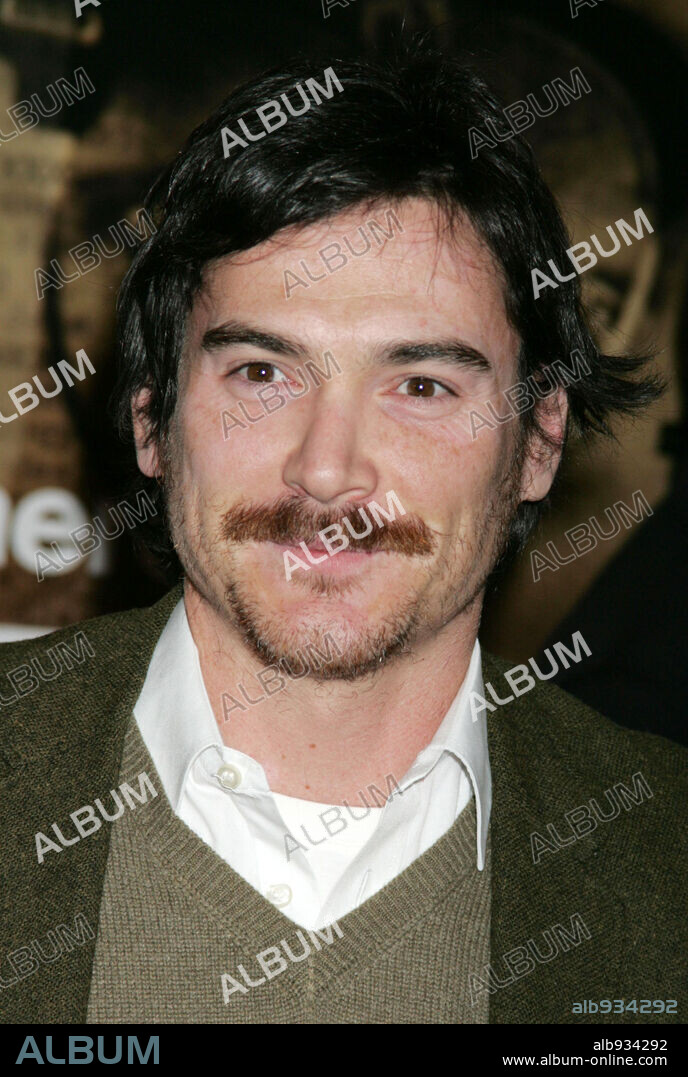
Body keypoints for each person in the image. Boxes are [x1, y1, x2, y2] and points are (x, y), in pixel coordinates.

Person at [1, 45, 684, 1025]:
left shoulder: (660, 855)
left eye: (421, 386)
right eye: (261, 375)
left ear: (538, 444)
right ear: (151, 422)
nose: (327, 470)